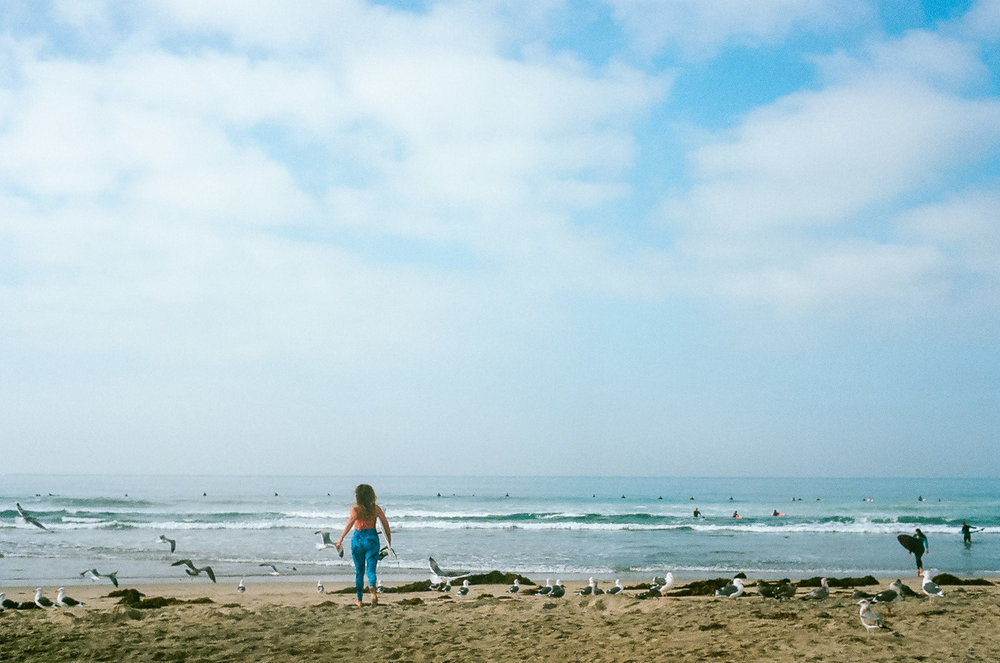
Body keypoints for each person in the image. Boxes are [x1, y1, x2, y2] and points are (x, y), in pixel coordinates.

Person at [336, 484, 391, 607]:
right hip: (372, 539)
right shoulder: (376, 509)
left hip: (358, 540)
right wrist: (389, 542)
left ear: (357, 496)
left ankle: (359, 600)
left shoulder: (355, 509)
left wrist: (340, 539)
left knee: (359, 571)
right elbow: (385, 525)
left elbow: (350, 524)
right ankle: (372, 590)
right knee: (371, 570)